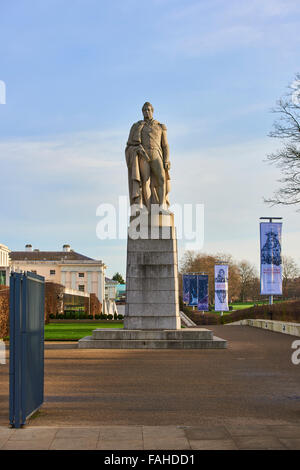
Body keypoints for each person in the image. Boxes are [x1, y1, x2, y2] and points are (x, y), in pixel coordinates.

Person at [125, 102, 171, 212]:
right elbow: (130, 144)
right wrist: (137, 150)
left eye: (148, 110)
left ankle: (162, 206)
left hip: (156, 154)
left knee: (161, 179)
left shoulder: (160, 126)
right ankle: (147, 208)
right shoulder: (138, 126)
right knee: (144, 181)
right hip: (143, 156)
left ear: (152, 111)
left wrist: (166, 160)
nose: (146, 112)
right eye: (144, 110)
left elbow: (165, 145)